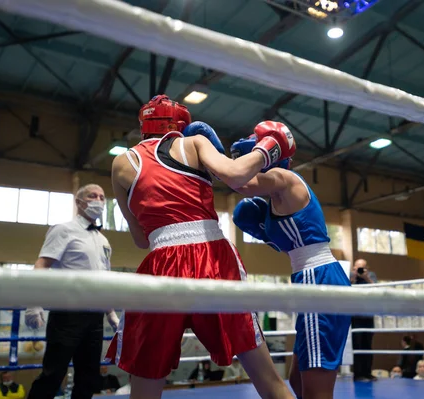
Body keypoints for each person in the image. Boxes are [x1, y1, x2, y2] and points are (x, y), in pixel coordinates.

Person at [104, 95, 296, 399]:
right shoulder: (192, 143)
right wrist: (269, 146)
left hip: (160, 264)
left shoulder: (121, 163)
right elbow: (235, 174)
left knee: (146, 378)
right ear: (178, 123)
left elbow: (140, 239)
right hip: (210, 255)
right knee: (262, 372)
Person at [230, 133, 351, 399]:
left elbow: (240, 181)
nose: (243, 164)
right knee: (298, 379)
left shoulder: (286, 180)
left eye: (249, 159)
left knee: (316, 389)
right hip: (311, 278)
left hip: (318, 279)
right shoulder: (276, 199)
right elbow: (291, 245)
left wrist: (206, 157)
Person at [24, 184, 119, 399]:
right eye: (92, 196)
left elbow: (103, 279)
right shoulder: (63, 229)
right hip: (67, 314)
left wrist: (111, 313)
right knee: (52, 375)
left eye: (102, 197)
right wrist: (33, 302)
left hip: (95, 317)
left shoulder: (103, 240)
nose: (98, 200)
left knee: (88, 378)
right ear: (79, 202)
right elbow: (42, 264)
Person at [349, 259, 377, 381]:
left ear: (367, 268)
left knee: (368, 345)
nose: (360, 270)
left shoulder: (371, 276)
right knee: (357, 345)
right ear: (354, 267)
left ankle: (367, 373)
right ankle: (358, 374)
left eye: (363, 267)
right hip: (355, 316)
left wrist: (366, 278)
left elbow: (377, 289)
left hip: (368, 315)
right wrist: (354, 278)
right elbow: (344, 290)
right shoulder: (350, 276)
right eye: (358, 267)